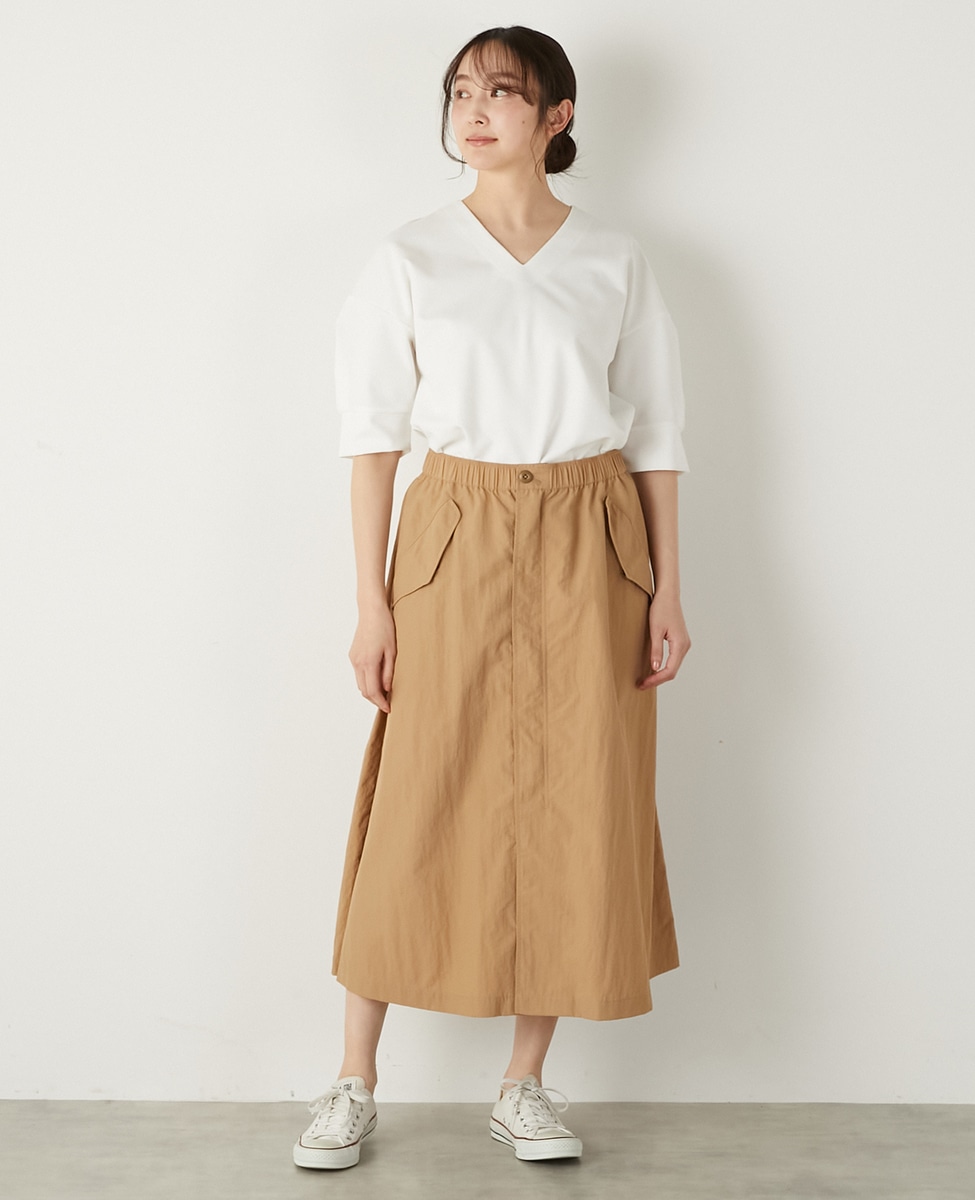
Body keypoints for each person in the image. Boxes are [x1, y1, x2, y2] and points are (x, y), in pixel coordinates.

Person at [293, 25, 691, 1171]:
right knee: (418, 793)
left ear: (557, 116)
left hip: (590, 532)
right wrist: (371, 603)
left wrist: (670, 586)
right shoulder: (409, 256)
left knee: (578, 797)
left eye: (503, 92)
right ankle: (353, 1078)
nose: (474, 111)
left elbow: (659, 434)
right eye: (461, 90)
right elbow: (372, 440)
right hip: (453, 530)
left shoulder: (613, 258)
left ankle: (524, 1083)